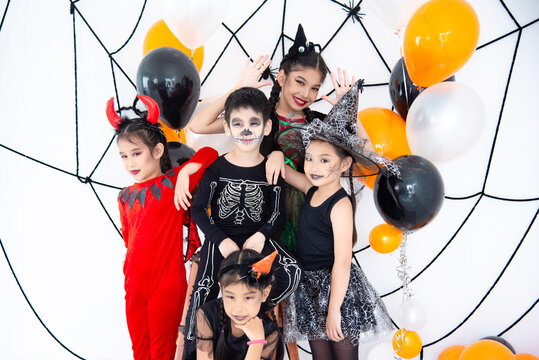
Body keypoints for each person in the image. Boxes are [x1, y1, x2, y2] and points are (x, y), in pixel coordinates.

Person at [188, 24, 364, 253]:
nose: (305, 94)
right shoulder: (256, 119)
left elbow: (366, 152)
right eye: (299, 82)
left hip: (305, 211)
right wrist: (237, 90)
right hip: (261, 212)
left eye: (314, 88)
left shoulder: (318, 125)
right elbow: (197, 125)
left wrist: (350, 111)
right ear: (281, 77)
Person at [183, 87, 302, 359]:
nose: (246, 131)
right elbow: (200, 209)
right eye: (238, 124)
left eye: (253, 123)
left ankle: (253, 310)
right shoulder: (217, 168)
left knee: (292, 270)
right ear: (227, 128)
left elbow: (276, 213)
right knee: (203, 290)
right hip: (221, 240)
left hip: (257, 243)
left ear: (267, 126)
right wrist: (220, 240)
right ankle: (200, 344)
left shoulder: (271, 168)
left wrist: (262, 235)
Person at [282, 82, 396, 360]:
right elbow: (285, 172)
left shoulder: (340, 204)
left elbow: (343, 261)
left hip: (338, 290)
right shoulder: (311, 191)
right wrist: (274, 155)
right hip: (308, 287)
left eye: (324, 160)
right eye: (310, 159)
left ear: (344, 164)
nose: (313, 167)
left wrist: (334, 310)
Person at [107, 95, 218, 360]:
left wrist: (186, 172)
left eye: (137, 153)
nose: (130, 163)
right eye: (124, 156)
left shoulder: (171, 185)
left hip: (165, 283)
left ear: (157, 152)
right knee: (139, 350)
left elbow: (210, 154)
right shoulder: (124, 196)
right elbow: (128, 239)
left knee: (162, 350)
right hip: (134, 283)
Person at [194, 249, 284, 360]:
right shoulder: (207, 315)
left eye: (248, 297)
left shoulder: (270, 332)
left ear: (265, 293)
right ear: (222, 289)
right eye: (231, 297)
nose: (238, 308)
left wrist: (257, 342)